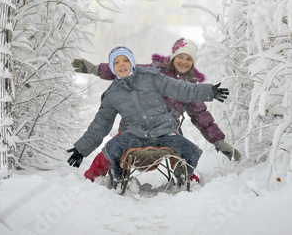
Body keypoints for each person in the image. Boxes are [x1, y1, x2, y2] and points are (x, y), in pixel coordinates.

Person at [72, 38, 241, 182]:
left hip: (166, 130)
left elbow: (201, 116)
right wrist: (94, 69)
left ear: (193, 63)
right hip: (134, 130)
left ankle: (186, 180)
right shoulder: (153, 73)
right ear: (173, 57)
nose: (183, 61)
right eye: (180, 56)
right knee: (108, 151)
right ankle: (96, 179)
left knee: (188, 152)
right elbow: (122, 67)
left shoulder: (184, 86)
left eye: (188, 59)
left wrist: (219, 140)